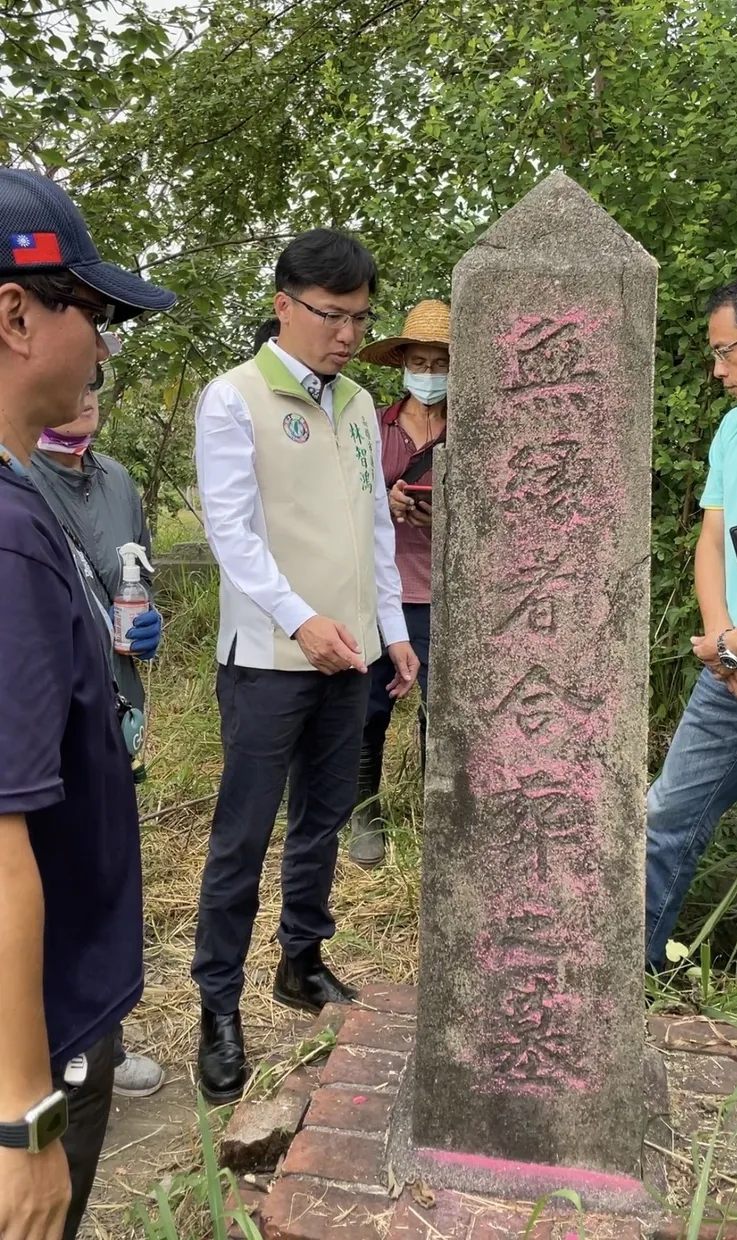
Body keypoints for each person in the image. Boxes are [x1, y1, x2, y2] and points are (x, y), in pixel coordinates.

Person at [192, 228, 419, 1104]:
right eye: (333, 316)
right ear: (285, 304)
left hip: (351, 652)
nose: (350, 335)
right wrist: (301, 620)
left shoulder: (360, 405)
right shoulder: (233, 399)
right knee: (242, 836)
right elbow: (233, 534)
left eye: (361, 318)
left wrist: (389, 626)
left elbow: (373, 527)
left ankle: (301, 959)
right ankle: (218, 1003)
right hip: (270, 657)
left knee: (322, 819)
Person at [0, 167, 174, 1240]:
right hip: (37, 1022)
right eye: (94, 313)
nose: (104, 345)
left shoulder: (28, 500)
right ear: (16, 312)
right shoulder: (8, 530)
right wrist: (24, 1116)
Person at [30, 369, 165, 1100]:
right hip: (42, 714)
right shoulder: (17, 473)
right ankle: (43, 1059)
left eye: (96, 384)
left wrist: (147, 633)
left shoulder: (116, 480)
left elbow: (135, 573)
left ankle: (100, 1042)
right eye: (72, 383)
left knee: (103, 879)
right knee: (37, 882)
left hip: (116, 710)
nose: (86, 398)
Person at [647, 275, 737, 977]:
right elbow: (711, 541)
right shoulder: (733, 429)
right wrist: (723, 645)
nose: (715, 371)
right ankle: (625, 973)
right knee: (665, 818)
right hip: (730, 677)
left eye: (726, 351)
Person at [350, 301, 450, 866]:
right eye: (420, 360)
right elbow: (351, 501)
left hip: (446, 596)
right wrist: (386, 505)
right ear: (402, 363)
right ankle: (366, 810)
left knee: (444, 709)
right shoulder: (374, 427)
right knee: (370, 707)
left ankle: (442, 816)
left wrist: (446, 517)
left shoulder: (476, 432)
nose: (429, 372)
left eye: (440, 363)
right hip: (383, 593)